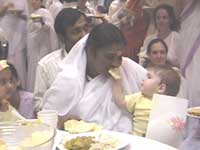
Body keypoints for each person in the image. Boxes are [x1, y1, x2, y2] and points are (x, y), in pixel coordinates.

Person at [43, 23, 147, 132]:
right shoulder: (68, 81)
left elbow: (157, 93)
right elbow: (46, 122)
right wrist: (62, 121)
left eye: (119, 57)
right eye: (109, 57)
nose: (116, 64)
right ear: (92, 51)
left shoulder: (129, 68)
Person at [33, 8, 87, 113]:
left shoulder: (96, 61)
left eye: (85, 28)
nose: (84, 36)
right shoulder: (46, 65)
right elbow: (38, 107)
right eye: (76, 31)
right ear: (61, 37)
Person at [112, 65, 181, 136]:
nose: (143, 79)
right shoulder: (139, 97)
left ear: (161, 88)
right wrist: (117, 81)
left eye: (149, 77)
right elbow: (120, 101)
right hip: (139, 142)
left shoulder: (171, 106)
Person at [27, 0, 58, 92]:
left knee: (40, 70)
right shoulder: (31, 14)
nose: (33, 2)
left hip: (42, 47)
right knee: (32, 70)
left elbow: (51, 29)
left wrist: (43, 22)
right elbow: (29, 32)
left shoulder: (45, 12)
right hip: (33, 48)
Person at [0, 0, 29, 89]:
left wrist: (19, 14)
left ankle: (20, 86)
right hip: (5, 28)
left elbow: (27, 16)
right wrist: (5, 8)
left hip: (19, 29)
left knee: (19, 58)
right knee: (6, 56)